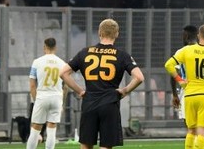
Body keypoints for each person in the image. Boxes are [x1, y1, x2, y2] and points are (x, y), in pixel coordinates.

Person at [61, 18, 145, 149]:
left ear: (100, 33)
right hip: (109, 103)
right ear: (116, 34)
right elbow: (139, 77)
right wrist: (125, 91)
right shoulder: (122, 55)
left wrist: (80, 91)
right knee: (106, 145)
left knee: (86, 145)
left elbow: (63, 73)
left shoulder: (85, 52)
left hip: (89, 103)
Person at [26, 38, 67, 149]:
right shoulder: (62, 63)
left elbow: (32, 85)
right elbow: (66, 86)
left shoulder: (37, 62)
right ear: (55, 48)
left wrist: (36, 100)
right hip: (56, 97)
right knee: (52, 129)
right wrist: (61, 102)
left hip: (42, 97)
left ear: (44, 47)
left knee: (35, 129)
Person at [171, 26, 199, 123]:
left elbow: (172, 70)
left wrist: (175, 94)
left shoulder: (182, 51)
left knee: (190, 126)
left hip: (188, 90)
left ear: (186, 35)